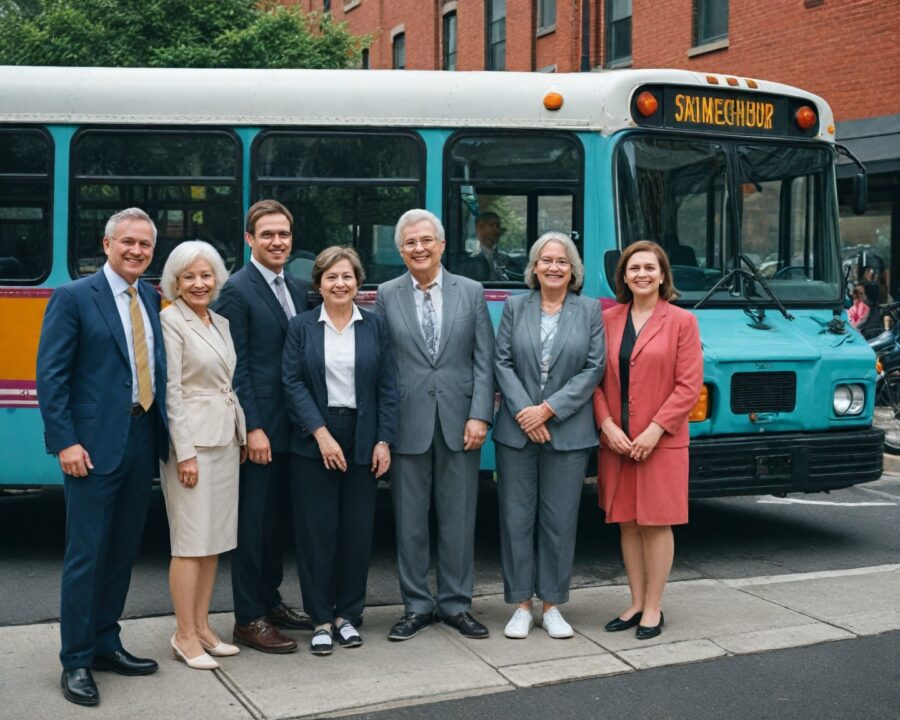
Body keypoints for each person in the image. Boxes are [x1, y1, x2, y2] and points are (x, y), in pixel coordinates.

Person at [36, 208, 168, 706]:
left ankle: (106, 643)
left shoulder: (151, 296)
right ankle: (75, 660)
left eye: (145, 245)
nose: (137, 251)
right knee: (86, 555)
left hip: (140, 438)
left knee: (122, 551)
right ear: (107, 243)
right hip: (91, 445)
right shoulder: (73, 297)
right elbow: (51, 376)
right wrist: (65, 441)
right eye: (128, 242)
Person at [375, 209, 495, 641]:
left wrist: (481, 414)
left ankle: (456, 605)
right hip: (407, 424)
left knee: (459, 518)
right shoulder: (387, 295)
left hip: (461, 424)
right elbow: (384, 366)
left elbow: (485, 359)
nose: (419, 248)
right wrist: (383, 431)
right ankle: (416, 606)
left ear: (442, 245)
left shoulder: (472, 291)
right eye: (410, 243)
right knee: (408, 522)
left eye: (426, 240)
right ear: (401, 251)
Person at [282, 247, 398, 655]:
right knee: (317, 533)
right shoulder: (301, 327)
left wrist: (384, 440)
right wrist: (320, 434)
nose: (340, 283)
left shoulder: (375, 326)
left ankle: (348, 615)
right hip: (314, 438)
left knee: (356, 531)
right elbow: (292, 382)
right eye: (331, 277)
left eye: (347, 276)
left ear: (358, 281)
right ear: (319, 284)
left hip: (364, 436)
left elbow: (387, 385)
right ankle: (318, 618)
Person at [493, 232, 604, 640]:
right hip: (517, 432)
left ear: (573, 270)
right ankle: (521, 604)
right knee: (516, 519)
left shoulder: (589, 309)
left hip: (568, 431)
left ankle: (553, 604)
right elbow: (500, 361)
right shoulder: (514, 306)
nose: (553, 267)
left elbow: (594, 369)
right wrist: (527, 412)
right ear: (534, 267)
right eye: (546, 260)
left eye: (562, 261)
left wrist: (549, 409)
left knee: (559, 522)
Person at [214, 200, 311, 654]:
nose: (277, 242)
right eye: (268, 234)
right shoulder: (237, 289)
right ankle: (248, 618)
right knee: (252, 527)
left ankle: (271, 601)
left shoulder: (294, 284)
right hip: (262, 431)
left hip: (292, 429)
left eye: (284, 234)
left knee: (276, 526)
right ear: (250, 240)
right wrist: (251, 429)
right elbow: (237, 367)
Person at [593, 240, 703, 641]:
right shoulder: (608, 319)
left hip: (661, 442)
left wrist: (655, 430)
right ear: (623, 276)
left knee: (655, 524)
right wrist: (606, 425)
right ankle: (635, 602)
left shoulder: (681, 321)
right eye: (634, 268)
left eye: (649, 268)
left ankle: (654, 607)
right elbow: (595, 381)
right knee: (626, 522)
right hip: (617, 442)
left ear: (662, 276)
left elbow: (688, 386)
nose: (642, 274)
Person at [158, 241, 247, 670]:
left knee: (214, 542)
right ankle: (183, 634)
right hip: (192, 445)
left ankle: (203, 626)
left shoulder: (219, 321)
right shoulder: (170, 321)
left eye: (206, 275)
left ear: (217, 279)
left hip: (225, 440)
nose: (199, 283)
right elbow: (171, 391)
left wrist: (240, 435)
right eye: (189, 276)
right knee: (189, 543)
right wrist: (185, 453)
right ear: (175, 282)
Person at [460, 211, 509, 281]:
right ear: (480, 228)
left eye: (497, 225)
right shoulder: (470, 258)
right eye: (492, 225)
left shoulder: (504, 258)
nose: (497, 230)